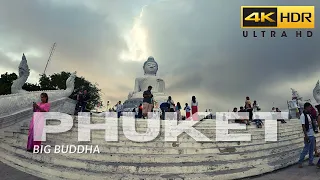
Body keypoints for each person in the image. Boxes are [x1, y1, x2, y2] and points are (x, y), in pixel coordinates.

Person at [298, 102, 317, 168]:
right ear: (306, 107)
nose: (310, 108)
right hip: (308, 135)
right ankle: (300, 162)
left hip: (312, 134)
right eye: (309, 107)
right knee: (306, 149)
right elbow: (303, 126)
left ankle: (310, 162)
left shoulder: (309, 115)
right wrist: (306, 136)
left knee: (311, 149)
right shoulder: (303, 115)